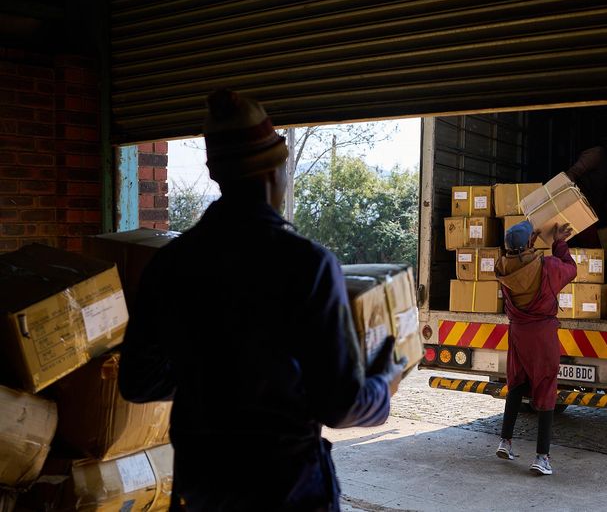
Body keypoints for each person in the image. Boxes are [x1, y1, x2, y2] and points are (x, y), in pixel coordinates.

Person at [118, 89, 405, 511]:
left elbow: (137, 382)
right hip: (288, 491)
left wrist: (215, 378)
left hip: (202, 491)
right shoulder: (308, 266)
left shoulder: (169, 265)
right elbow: (341, 406)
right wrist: (385, 385)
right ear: (276, 171)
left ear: (217, 174)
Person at [494, 220, 577, 475]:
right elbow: (571, 270)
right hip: (542, 334)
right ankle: (542, 457)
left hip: (518, 332)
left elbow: (519, 261)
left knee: (517, 383)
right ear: (529, 244)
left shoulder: (502, 268)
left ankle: (505, 442)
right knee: (545, 387)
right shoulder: (548, 266)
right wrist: (558, 243)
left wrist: (526, 243)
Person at [565, 126, 607, 228]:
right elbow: (570, 175)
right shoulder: (596, 154)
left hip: (593, 211)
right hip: (580, 208)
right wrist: (577, 202)